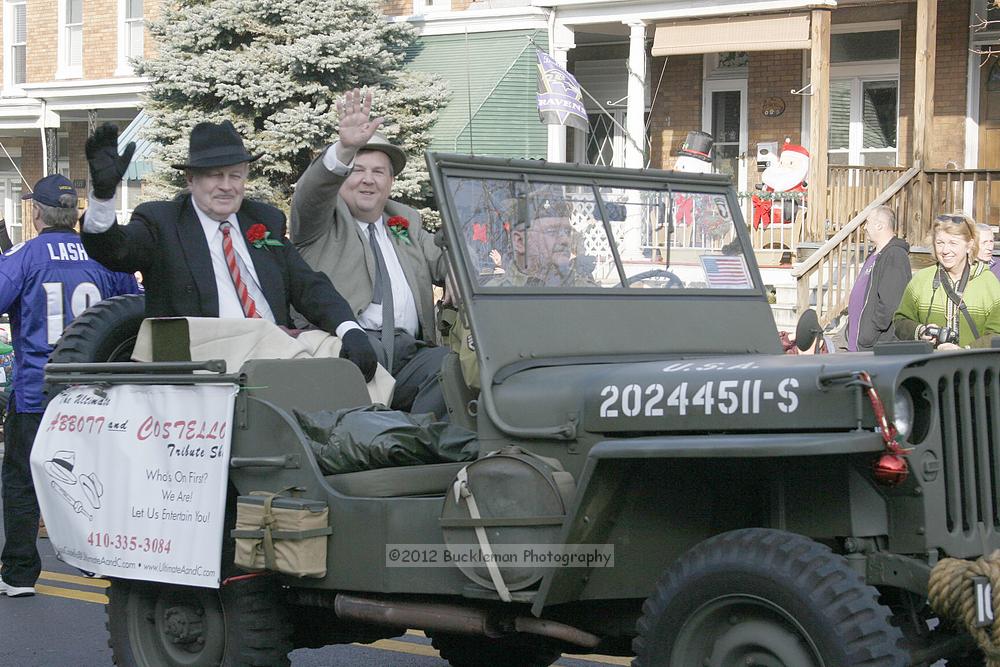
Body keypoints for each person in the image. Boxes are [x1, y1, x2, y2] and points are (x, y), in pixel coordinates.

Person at [80, 121, 376, 381]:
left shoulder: (262, 220)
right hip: (199, 357)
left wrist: (349, 329)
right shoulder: (163, 222)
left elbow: (308, 285)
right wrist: (103, 196)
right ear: (191, 180)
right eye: (215, 175)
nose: (226, 186)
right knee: (297, 367)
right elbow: (114, 250)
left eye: (235, 175)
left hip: (275, 348)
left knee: (362, 369)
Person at [0, 174, 140, 598]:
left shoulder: (26, 255)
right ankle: (108, 564)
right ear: (76, 213)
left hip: (36, 391)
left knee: (22, 478)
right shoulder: (100, 255)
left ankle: (19, 573)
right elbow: (134, 307)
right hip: (94, 393)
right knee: (97, 479)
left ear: (38, 213)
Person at [290, 89, 448, 418]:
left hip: (408, 351)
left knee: (449, 368)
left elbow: (446, 261)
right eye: (356, 170)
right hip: (346, 348)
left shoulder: (404, 222)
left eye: (378, 172)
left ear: (390, 182)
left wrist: (461, 273)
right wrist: (344, 148)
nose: (367, 181)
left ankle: (419, 448)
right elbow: (312, 192)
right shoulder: (321, 220)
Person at [894, 213, 1000, 350]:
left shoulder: (988, 282)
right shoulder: (921, 279)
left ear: (970, 245)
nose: (945, 250)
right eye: (940, 243)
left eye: (953, 243)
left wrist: (964, 351)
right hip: (929, 369)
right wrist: (920, 331)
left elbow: (997, 334)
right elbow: (900, 321)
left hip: (972, 368)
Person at [844, 205, 911, 351]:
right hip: (858, 345)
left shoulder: (895, 255)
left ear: (879, 226)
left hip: (873, 346)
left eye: (868, 222)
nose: (865, 227)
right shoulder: (875, 255)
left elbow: (890, 304)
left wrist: (868, 333)